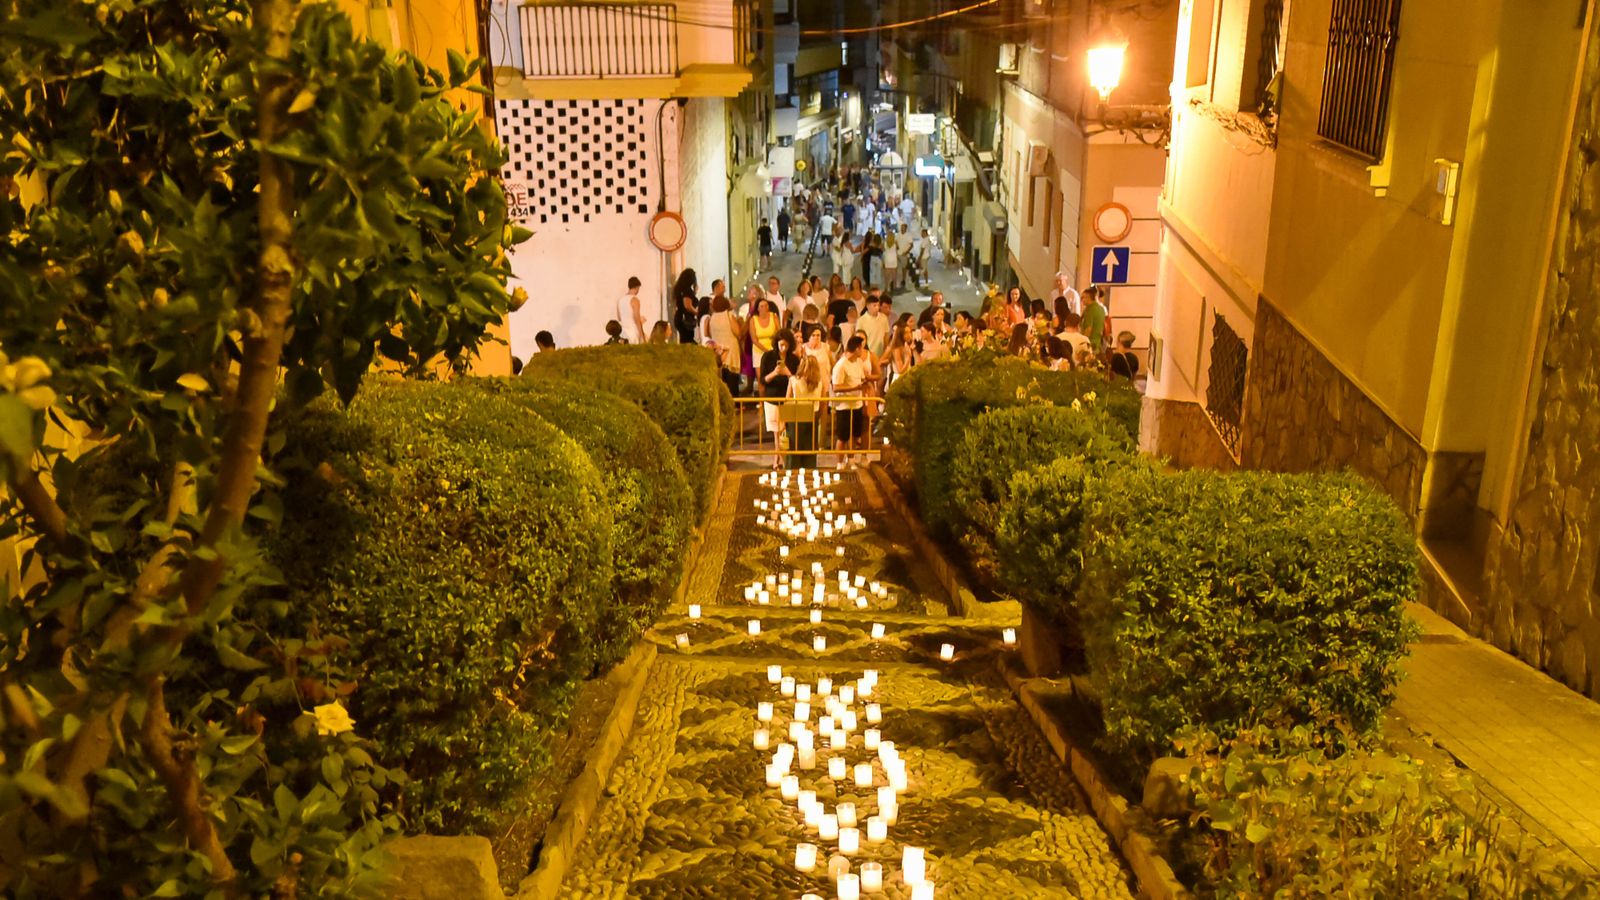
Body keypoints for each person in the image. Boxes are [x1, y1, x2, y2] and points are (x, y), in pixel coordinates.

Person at [760, 329, 802, 468]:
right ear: (776, 343)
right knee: (776, 433)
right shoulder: (768, 357)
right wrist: (774, 373)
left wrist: (787, 373)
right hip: (772, 399)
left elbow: (797, 380)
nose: (783, 348)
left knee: (787, 432)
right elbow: (763, 380)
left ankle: (779, 461)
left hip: (788, 399)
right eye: (781, 344)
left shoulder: (794, 359)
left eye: (786, 345)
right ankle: (780, 462)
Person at [831, 336, 872, 466]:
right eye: (861, 348)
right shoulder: (841, 365)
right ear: (856, 348)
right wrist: (855, 387)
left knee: (855, 434)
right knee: (843, 436)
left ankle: (852, 458)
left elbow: (861, 378)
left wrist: (863, 385)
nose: (863, 351)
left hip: (857, 404)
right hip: (844, 405)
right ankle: (839, 462)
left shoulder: (858, 362)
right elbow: (836, 387)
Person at [786, 354, 828, 470]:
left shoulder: (793, 380)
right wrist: (817, 415)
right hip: (812, 416)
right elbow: (823, 402)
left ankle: (793, 473)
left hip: (796, 416)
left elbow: (787, 400)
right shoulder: (819, 383)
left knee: (795, 449)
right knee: (810, 449)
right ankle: (809, 472)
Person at [704, 294, 744, 395]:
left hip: (719, 351)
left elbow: (708, 334)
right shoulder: (729, 315)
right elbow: (738, 333)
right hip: (731, 350)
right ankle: (735, 403)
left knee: (722, 379)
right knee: (732, 379)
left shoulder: (711, 318)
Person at [857, 294, 890, 359]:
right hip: (867, 354)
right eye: (874, 306)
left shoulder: (884, 318)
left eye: (878, 305)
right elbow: (859, 339)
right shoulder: (861, 320)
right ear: (867, 306)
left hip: (881, 354)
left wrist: (886, 351)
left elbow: (886, 336)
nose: (877, 308)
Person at [617, 276, 646, 345]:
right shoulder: (635, 300)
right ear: (637, 287)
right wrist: (642, 335)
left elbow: (619, 317)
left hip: (623, 331)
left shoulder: (620, 300)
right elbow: (636, 319)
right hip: (633, 330)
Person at [1081, 285, 1109, 352]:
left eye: (1083, 297)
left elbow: (1088, 329)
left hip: (1089, 345)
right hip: (1098, 344)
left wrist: (1082, 343)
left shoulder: (1089, 310)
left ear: (1089, 297)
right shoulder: (1101, 308)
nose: (1082, 300)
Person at [881, 230, 900, 295]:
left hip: (887, 259)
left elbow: (882, 250)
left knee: (886, 276)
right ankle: (894, 287)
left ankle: (886, 287)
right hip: (894, 259)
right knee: (894, 275)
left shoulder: (884, 242)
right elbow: (898, 248)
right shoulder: (895, 242)